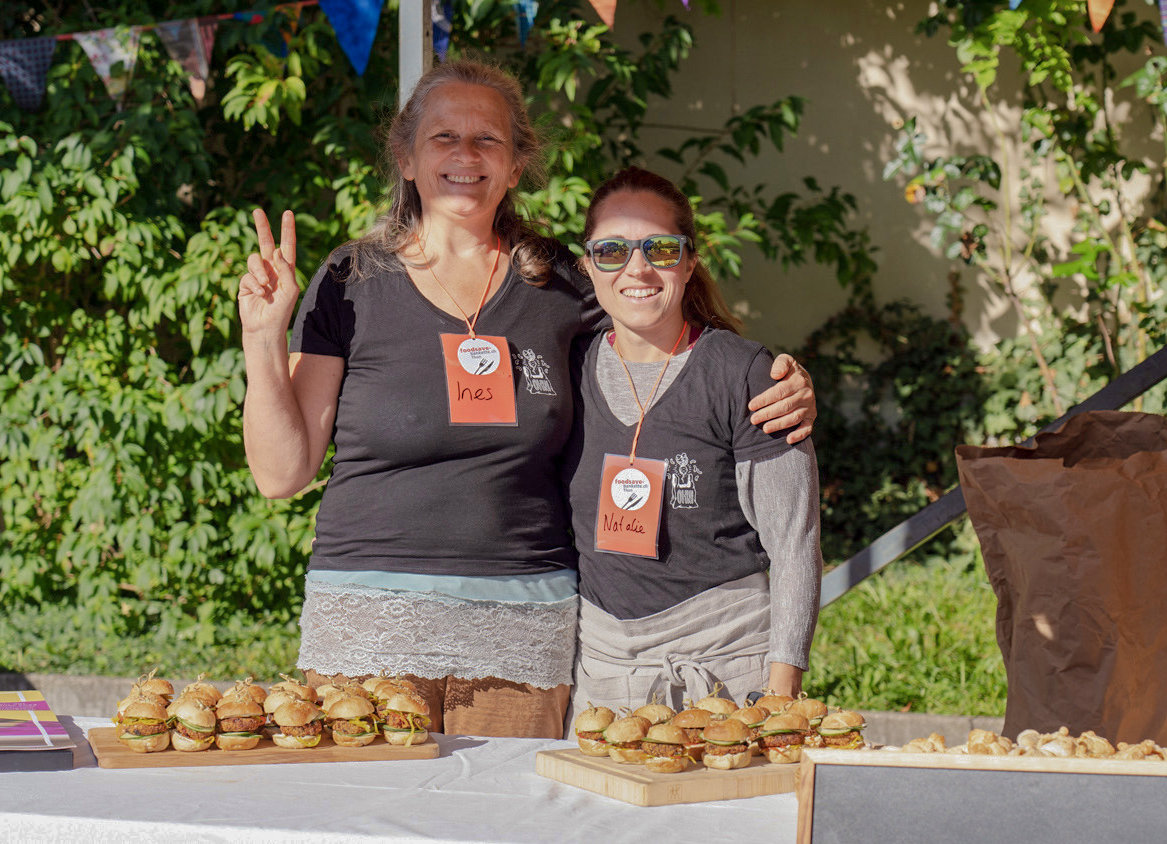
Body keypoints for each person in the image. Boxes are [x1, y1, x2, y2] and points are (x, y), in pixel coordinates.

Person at [235, 59, 816, 739]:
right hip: (368, 627)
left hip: (522, 635)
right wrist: (262, 339)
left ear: (516, 166)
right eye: (444, 138)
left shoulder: (562, 284)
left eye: (487, 140)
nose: (465, 156)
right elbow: (281, 473)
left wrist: (775, 379)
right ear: (406, 158)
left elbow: (664, 345)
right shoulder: (349, 281)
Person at [564, 167, 823, 720]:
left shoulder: (747, 375)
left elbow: (796, 544)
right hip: (602, 679)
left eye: (659, 248)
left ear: (689, 260)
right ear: (588, 265)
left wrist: (779, 698)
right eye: (611, 251)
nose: (637, 268)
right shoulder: (570, 365)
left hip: (726, 675)